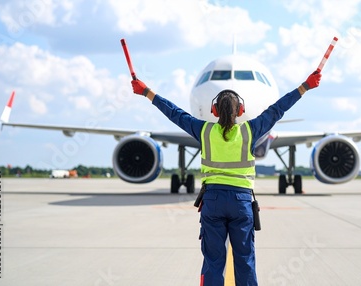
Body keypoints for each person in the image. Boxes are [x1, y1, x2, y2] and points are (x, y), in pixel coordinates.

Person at [131, 69, 322, 286]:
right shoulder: (250, 131)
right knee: (245, 260)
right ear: (240, 110)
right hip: (242, 203)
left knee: (213, 261)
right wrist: (305, 86)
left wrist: (146, 91)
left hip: (212, 202)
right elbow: (278, 109)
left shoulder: (203, 131)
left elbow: (173, 112)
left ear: (214, 110)